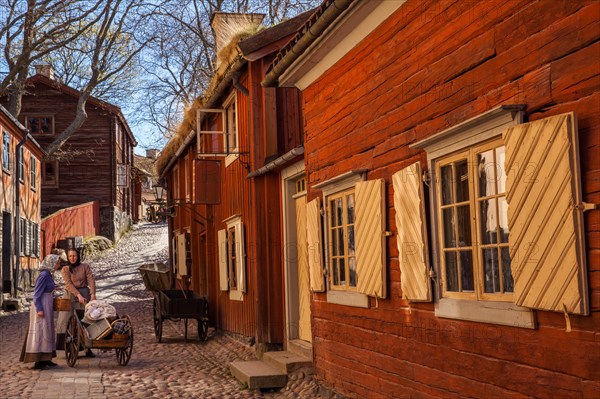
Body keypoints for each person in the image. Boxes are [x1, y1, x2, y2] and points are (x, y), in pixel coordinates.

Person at [20, 254, 62, 370]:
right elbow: (37, 294)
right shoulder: (43, 275)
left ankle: (46, 358)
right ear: (51, 263)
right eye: (57, 263)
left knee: (47, 330)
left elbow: (46, 288)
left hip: (47, 304)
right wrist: (39, 309)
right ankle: (38, 361)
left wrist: (54, 287)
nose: (59, 265)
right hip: (42, 304)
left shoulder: (48, 274)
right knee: (40, 331)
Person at [56, 247, 97, 357]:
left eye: (74, 256)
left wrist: (93, 294)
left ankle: (88, 348)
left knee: (86, 319)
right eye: (70, 256)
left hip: (84, 293)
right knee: (66, 319)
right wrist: (78, 295)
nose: (72, 258)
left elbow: (91, 279)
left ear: (78, 256)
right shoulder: (65, 269)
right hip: (70, 295)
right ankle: (69, 347)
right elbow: (68, 284)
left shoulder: (85, 267)